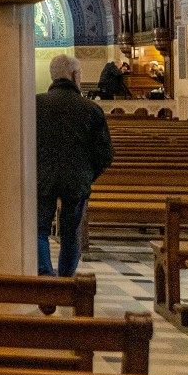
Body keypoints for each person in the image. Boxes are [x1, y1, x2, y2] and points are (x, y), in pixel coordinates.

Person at [35, 55, 113, 285]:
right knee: (70, 234)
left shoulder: (35, 104)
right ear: (75, 76)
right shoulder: (91, 109)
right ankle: (66, 282)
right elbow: (105, 154)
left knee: (39, 230)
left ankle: (45, 278)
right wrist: (88, 175)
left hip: (42, 178)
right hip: (76, 180)